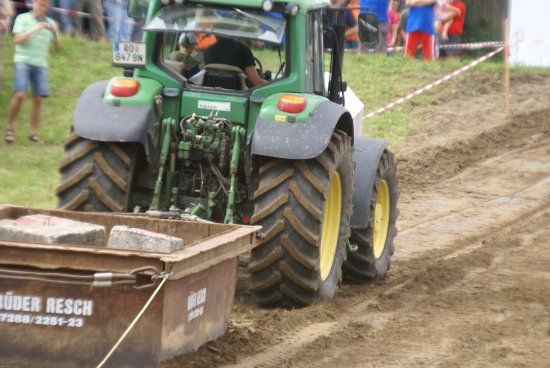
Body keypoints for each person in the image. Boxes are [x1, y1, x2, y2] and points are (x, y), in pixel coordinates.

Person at [5, 0, 61, 144]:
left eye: (44, 5)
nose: (41, 8)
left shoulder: (52, 23)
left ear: (47, 7)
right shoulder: (22, 18)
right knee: (20, 94)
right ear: (33, 4)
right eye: (38, 4)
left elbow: (58, 49)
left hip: (41, 64)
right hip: (23, 60)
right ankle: (10, 128)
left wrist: (55, 34)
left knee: (38, 98)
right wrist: (35, 29)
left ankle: (32, 132)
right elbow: (17, 40)